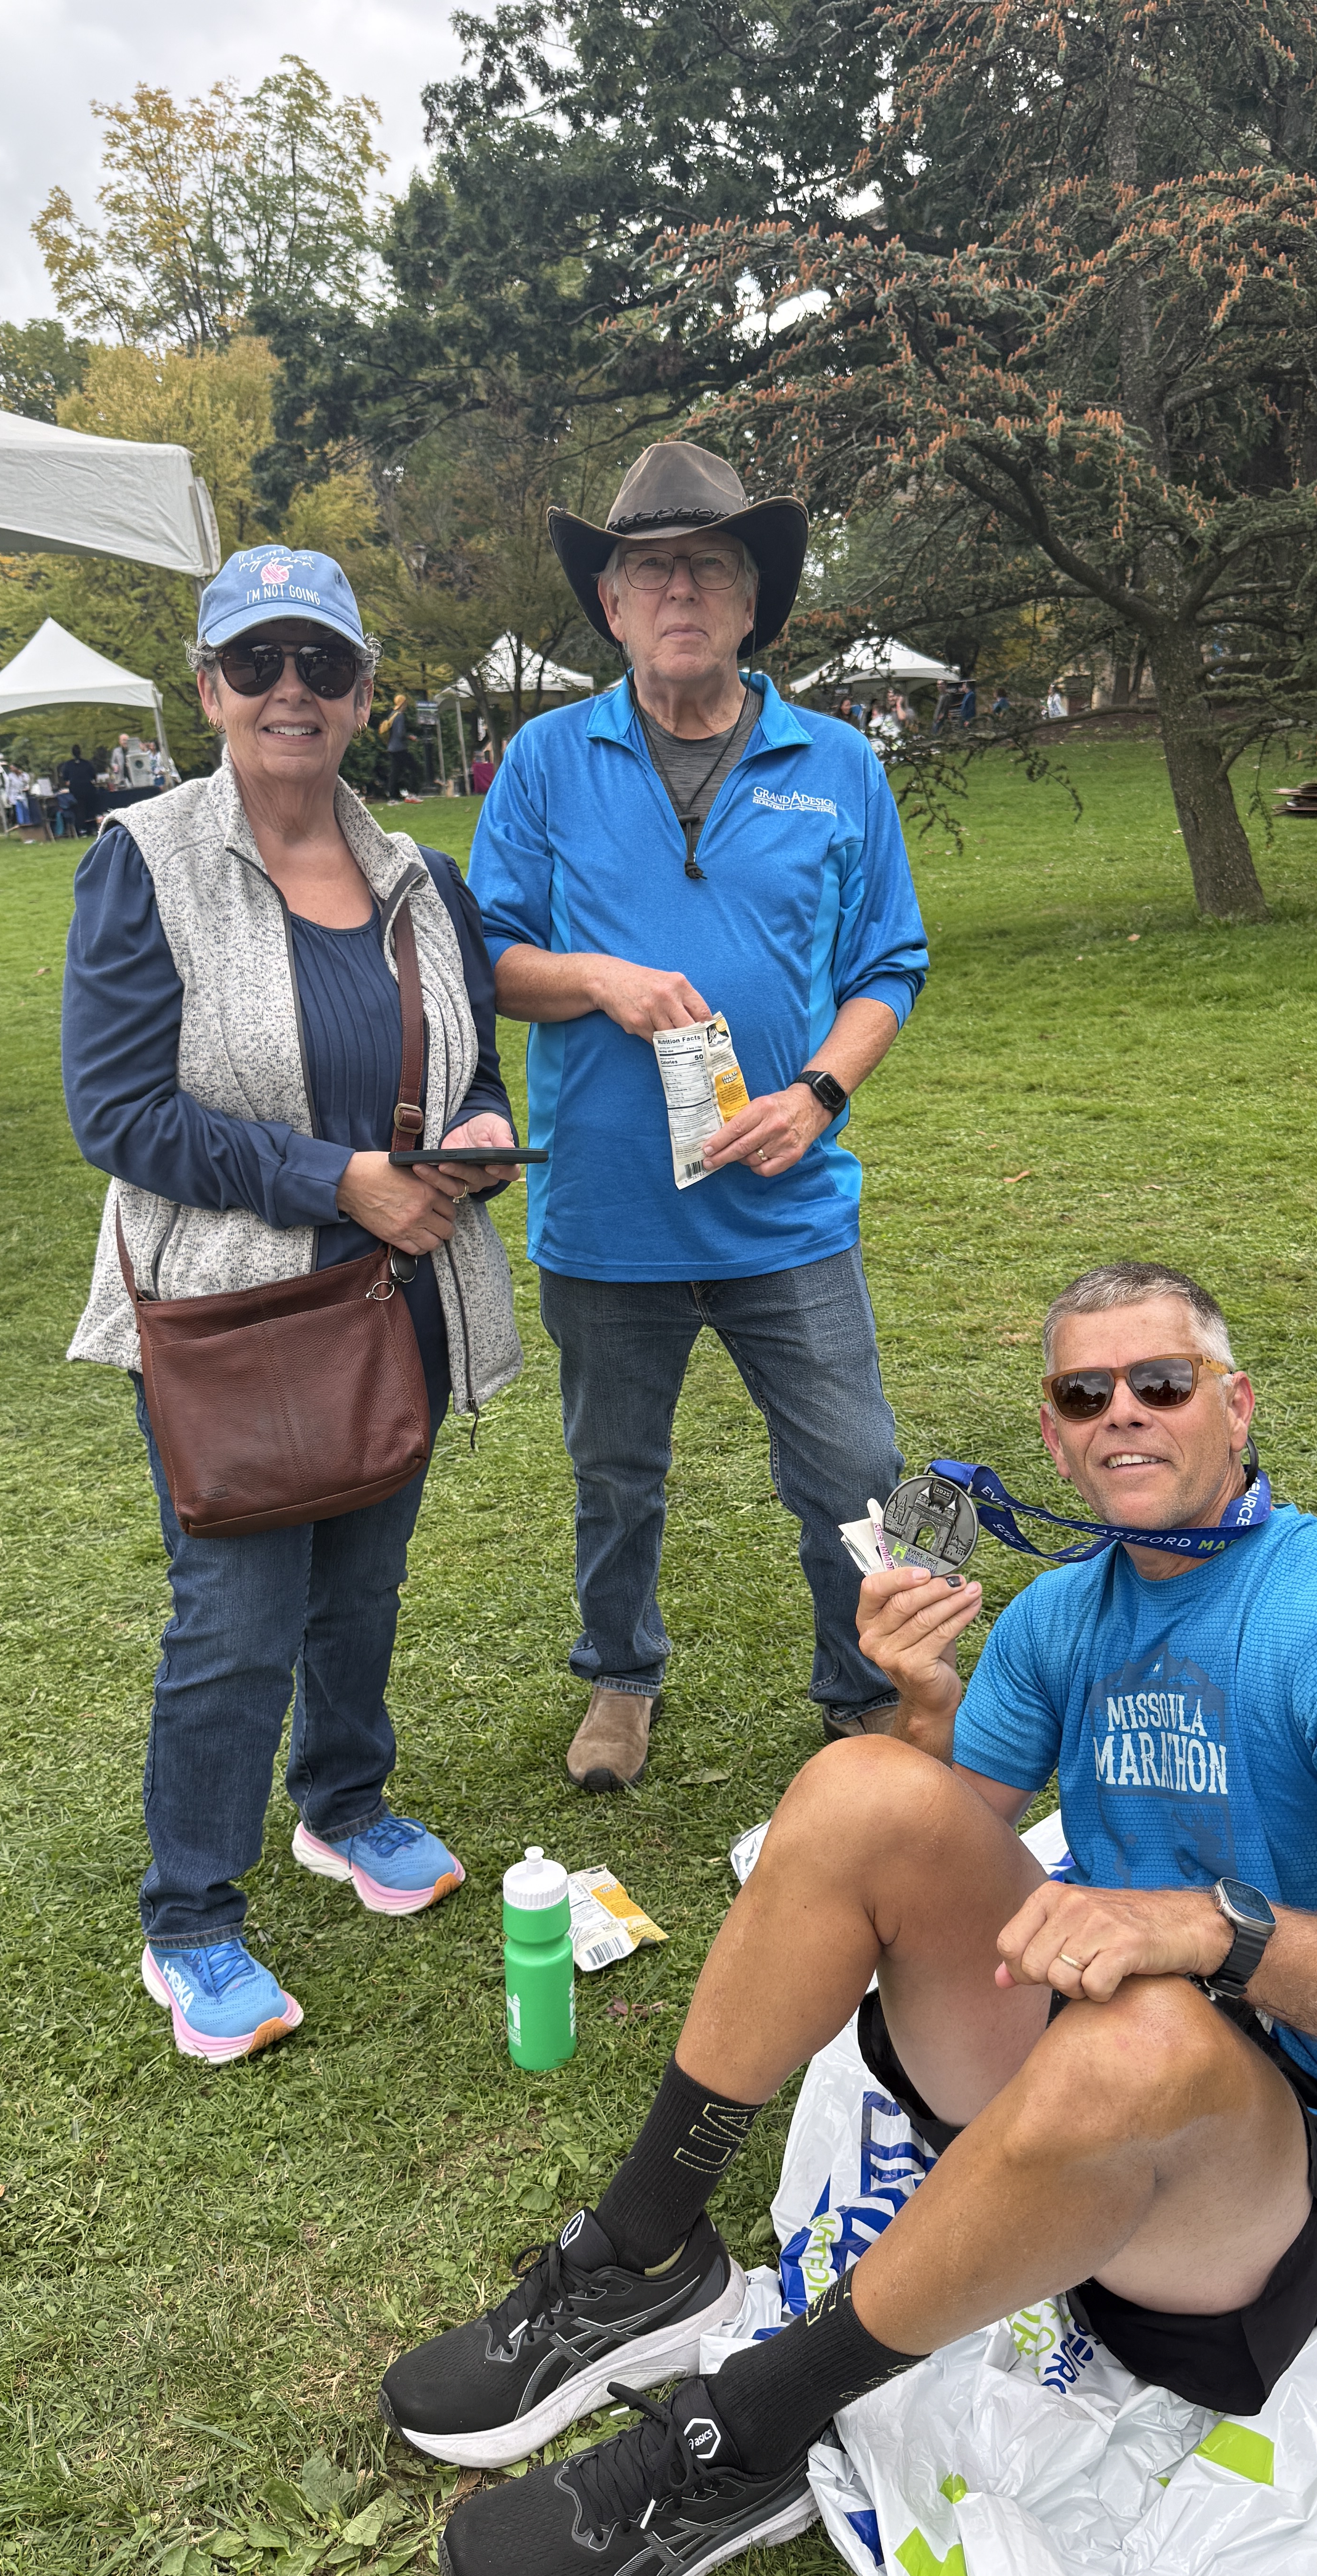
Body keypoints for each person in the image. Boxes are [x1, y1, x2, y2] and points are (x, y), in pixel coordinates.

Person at [385, 1258, 1317, 2576]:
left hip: (1266, 2165)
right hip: (1073, 2071)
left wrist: (1211, 1927)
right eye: (1082, 1391)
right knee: (862, 1782)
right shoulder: (1060, 1612)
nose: (1123, 1413)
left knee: (1150, 2028)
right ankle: (638, 2253)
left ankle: (743, 2433)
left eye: (1161, 1382)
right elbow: (922, 1856)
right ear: (1047, 1433)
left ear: (1234, 1405)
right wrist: (919, 1708)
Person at [61, 544, 526, 2066]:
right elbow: (119, 1113)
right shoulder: (141, 857)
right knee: (237, 1614)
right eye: (254, 665)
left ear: (361, 694)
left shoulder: (418, 873)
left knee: (364, 1581)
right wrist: (340, 1178)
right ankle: (188, 1918)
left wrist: (464, 1141)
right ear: (207, 690)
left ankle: (344, 1803)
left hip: (396, 1294)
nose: (288, 692)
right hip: (234, 1317)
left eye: (318, 666)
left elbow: (469, 1071)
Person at [470, 440, 929, 1789]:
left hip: (786, 1202)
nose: (679, 593)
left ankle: (862, 1688)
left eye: (709, 569)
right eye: (649, 571)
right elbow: (490, 958)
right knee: (616, 1473)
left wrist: (819, 1093)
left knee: (860, 1468)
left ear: (749, 602)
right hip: (609, 1214)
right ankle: (619, 1680)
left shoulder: (838, 765)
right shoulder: (547, 763)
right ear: (611, 605)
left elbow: (887, 965)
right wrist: (598, 978)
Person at [60, 744, 99, 838]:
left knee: (79, 811)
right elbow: (93, 776)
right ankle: (92, 828)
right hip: (89, 790)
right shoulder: (87, 764)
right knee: (91, 809)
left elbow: (65, 778)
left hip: (76, 791)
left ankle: (82, 830)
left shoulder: (68, 765)